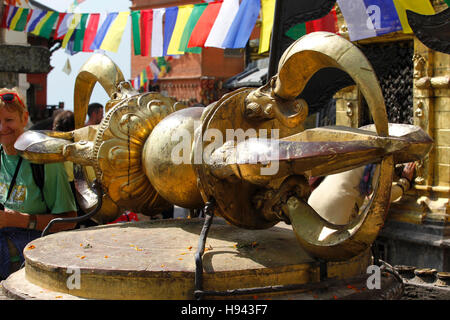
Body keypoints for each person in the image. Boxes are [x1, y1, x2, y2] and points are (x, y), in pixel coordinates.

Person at [0, 88, 77, 280]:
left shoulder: (43, 160)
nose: (2, 128)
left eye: (9, 120)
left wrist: (18, 220)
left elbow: (69, 220)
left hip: (36, 252)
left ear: (24, 118)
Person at [308, 162, 416, 225]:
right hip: (336, 211)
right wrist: (404, 182)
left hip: (313, 204)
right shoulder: (376, 161)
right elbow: (382, 196)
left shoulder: (354, 155)